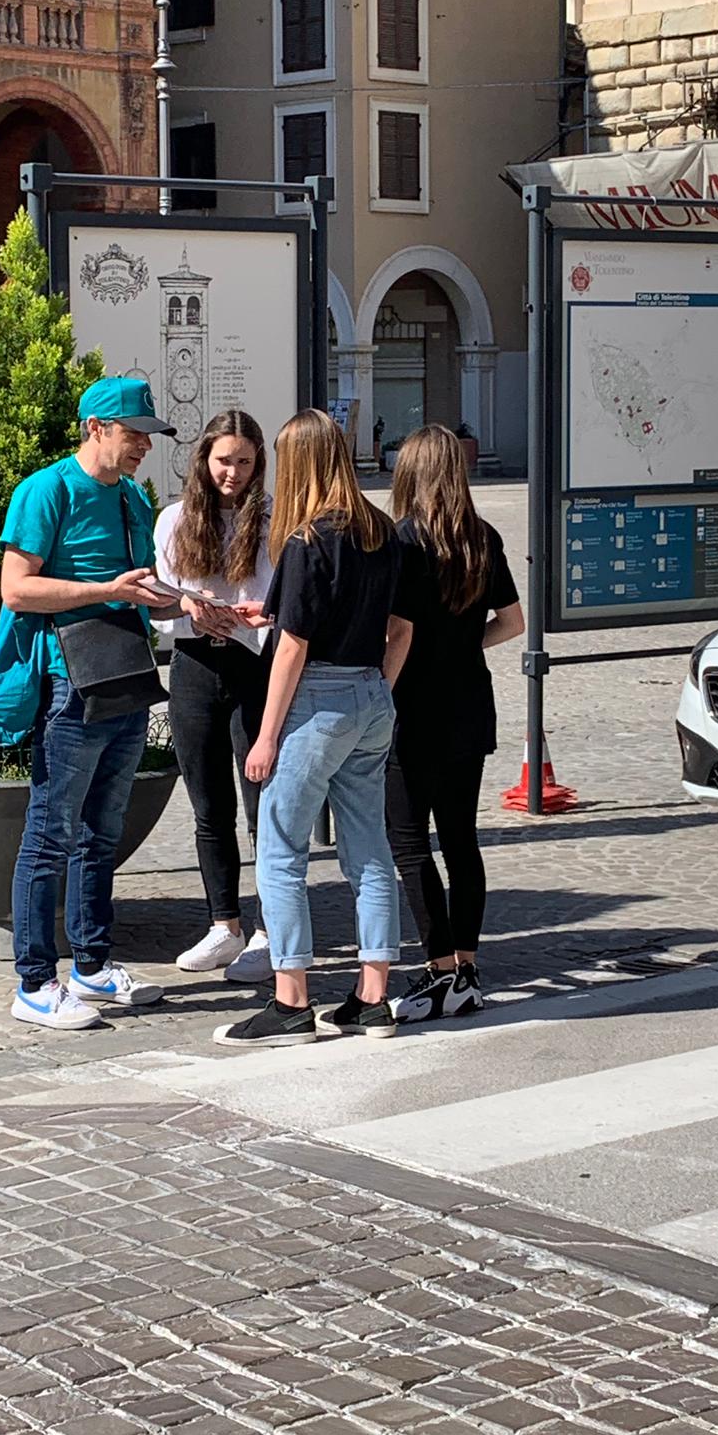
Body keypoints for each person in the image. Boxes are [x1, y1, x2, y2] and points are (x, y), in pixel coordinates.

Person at [213, 408, 413, 1048]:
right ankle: (373, 998)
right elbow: (399, 628)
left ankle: (291, 1000)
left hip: (315, 700)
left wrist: (267, 735)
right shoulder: (381, 529)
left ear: (299, 463)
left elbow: (297, 646)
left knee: (279, 850)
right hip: (370, 694)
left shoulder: (305, 539)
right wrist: (374, 684)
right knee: (368, 851)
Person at [0, 376, 179, 1030]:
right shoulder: (45, 492)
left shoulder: (132, 498)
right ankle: (32, 982)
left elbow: (138, 587)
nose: (142, 448)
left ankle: (93, 965)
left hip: (126, 674)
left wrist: (185, 603)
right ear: (96, 428)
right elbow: (17, 591)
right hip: (70, 680)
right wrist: (106, 588)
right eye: (133, 435)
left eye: (147, 437)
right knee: (51, 832)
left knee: (102, 831)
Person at [385, 424, 524, 1024]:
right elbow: (514, 623)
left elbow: (395, 633)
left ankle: (439, 967)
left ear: (410, 474)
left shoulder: (404, 543)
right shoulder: (482, 538)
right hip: (470, 705)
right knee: (462, 840)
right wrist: (467, 646)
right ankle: (466, 966)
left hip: (413, 710)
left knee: (409, 843)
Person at [153, 410, 274, 983]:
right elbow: (159, 603)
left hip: (255, 666)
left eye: (245, 462)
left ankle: (272, 928)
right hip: (195, 666)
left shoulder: (272, 519)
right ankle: (224, 924)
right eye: (224, 460)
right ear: (204, 459)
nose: (234, 473)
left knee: (262, 808)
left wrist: (246, 616)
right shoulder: (175, 520)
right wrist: (188, 607)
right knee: (209, 807)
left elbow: (278, 599)